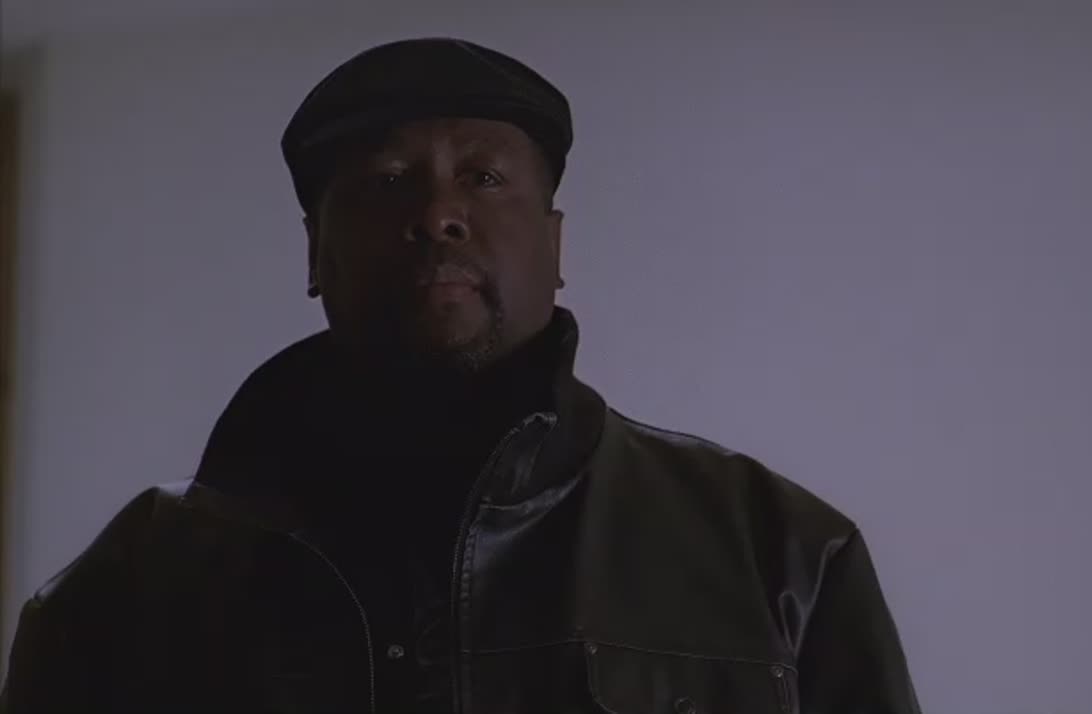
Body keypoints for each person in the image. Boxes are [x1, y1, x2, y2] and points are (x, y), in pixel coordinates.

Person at [0, 38, 919, 713]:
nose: (436, 212)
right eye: (386, 180)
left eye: (483, 179)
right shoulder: (133, 583)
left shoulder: (781, 555)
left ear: (556, 245)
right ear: (315, 251)